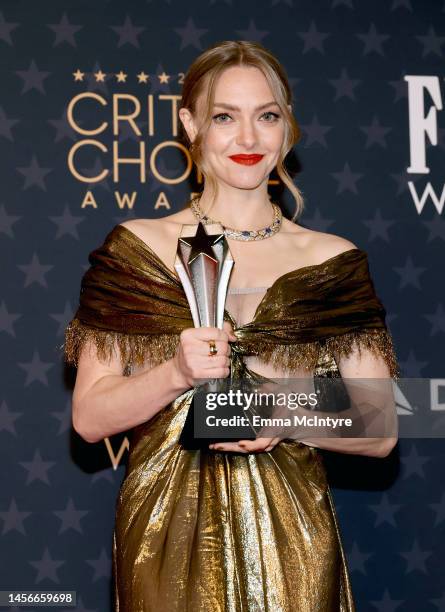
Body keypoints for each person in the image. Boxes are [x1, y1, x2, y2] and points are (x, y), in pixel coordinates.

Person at [64, 41, 399, 611]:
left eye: (266, 116)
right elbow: (90, 418)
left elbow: (383, 423)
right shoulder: (136, 250)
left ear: (285, 128)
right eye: (225, 117)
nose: (248, 140)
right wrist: (175, 371)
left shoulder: (331, 260)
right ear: (191, 124)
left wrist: (281, 412)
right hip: (163, 539)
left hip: (295, 541)